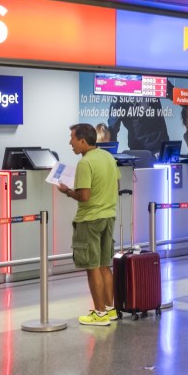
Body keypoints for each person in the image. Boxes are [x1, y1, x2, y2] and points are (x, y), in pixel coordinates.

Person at [58, 124, 121, 326]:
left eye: (72, 139)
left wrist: (67, 191)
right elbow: (116, 185)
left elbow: (84, 196)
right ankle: (110, 310)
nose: (70, 143)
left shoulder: (85, 163)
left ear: (83, 141)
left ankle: (99, 313)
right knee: (104, 265)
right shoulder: (108, 157)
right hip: (108, 216)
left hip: (90, 220)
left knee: (92, 267)